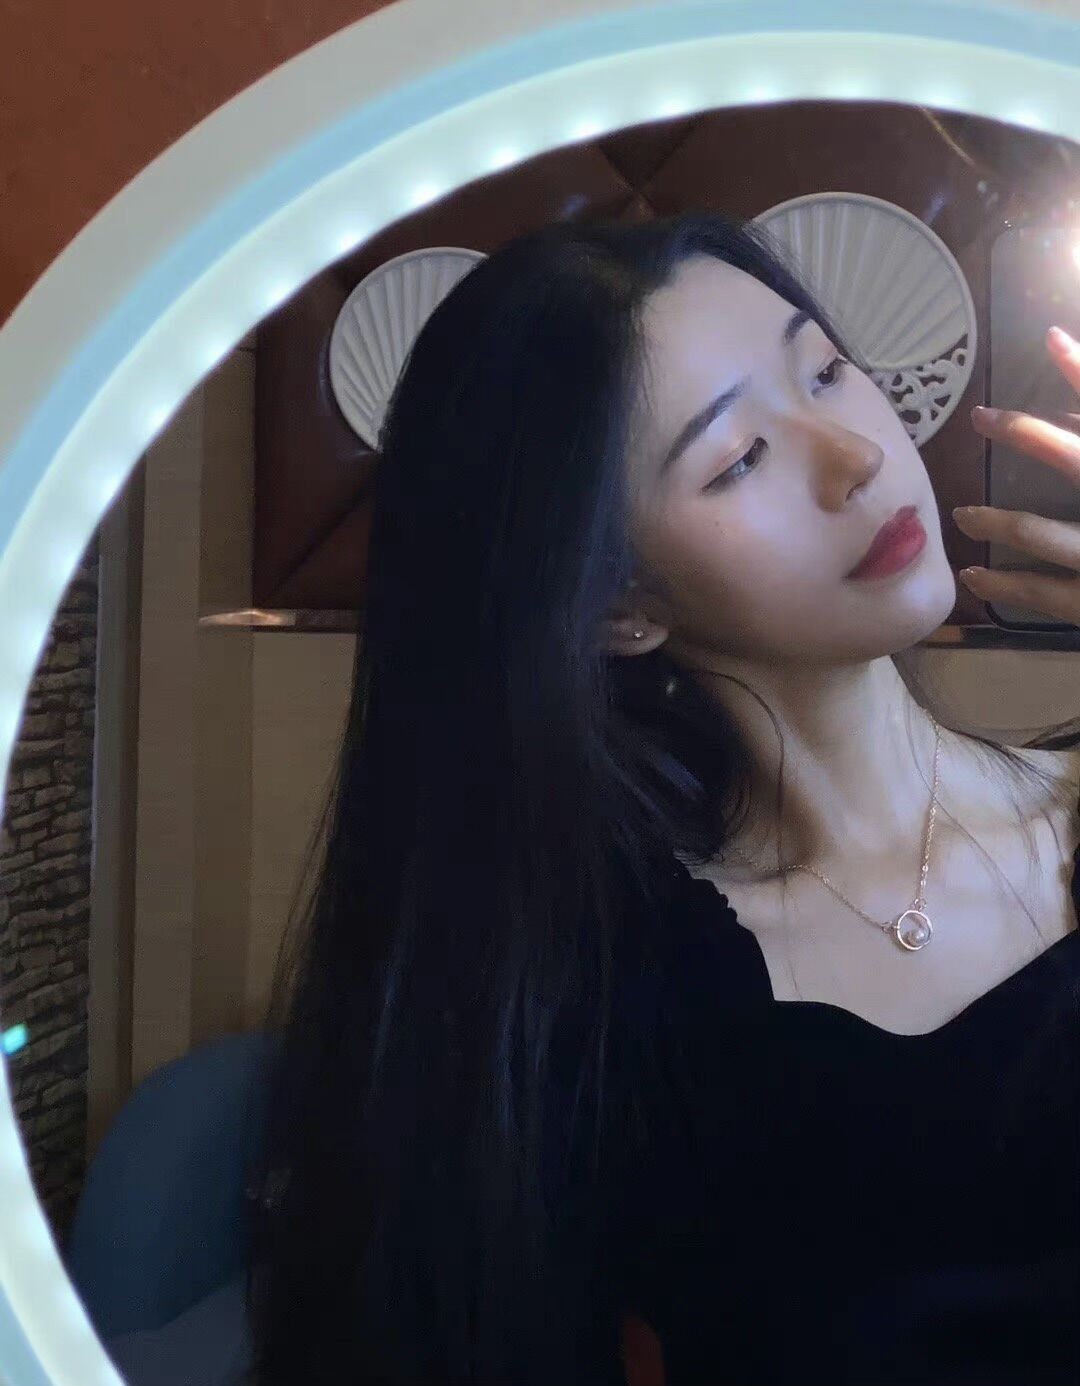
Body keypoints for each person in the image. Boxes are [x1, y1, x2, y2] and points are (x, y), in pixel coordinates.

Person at [241, 211, 1080, 1385]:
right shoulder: (604, 1010)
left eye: (826, 371)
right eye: (738, 460)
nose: (855, 456)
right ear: (617, 607)